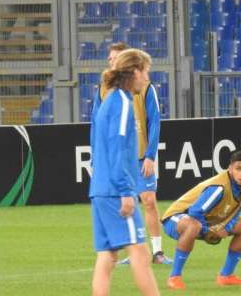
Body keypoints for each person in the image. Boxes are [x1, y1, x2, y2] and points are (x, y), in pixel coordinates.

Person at [89, 48, 159, 296]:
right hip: (115, 192)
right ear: (135, 72)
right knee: (140, 252)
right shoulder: (122, 103)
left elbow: (100, 146)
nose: (148, 78)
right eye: (146, 72)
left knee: (107, 256)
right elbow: (118, 149)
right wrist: (126, 192)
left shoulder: (110, 101)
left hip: (100, 190)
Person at [107, 44, 171, 265]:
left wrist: (151, 155)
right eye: (109, 59)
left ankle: (157, 252)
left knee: (149, 200)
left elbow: (155, 122)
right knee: (126, 204)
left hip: (142, 156)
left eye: (115, 58)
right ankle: (133, 250)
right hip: (122, 159)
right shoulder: (107, 91)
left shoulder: (146, 88)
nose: (111, 62)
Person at [161, 151, 241, 290]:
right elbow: (195, 211)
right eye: (239, 169)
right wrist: (208, 232)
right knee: (194, 226)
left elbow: (236, 211)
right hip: (175, 217)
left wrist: (226, 228)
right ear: (230, 169)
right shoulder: (219, 187)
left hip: (204, 219)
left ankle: (226, 276)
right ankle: (174, 277)